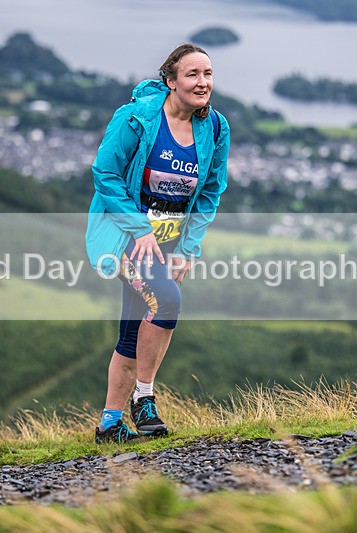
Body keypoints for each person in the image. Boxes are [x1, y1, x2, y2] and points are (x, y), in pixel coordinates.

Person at [86, 43, 230, 444]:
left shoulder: (216, 127)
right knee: (166, 301)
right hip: (127, 241)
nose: (203, 82)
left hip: (169, 245)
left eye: (208, 74)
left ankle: (110, 425)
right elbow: (105, 175)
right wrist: (139, 229)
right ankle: (144, 398)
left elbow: (210, 193)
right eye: (192, 74)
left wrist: (188, 248)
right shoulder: (134, 119)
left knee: (133, 332)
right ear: (171, 80)